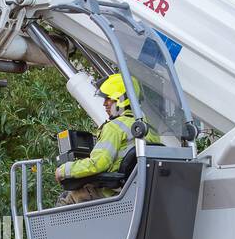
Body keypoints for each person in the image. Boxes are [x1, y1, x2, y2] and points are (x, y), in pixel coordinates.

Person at [55, 73, 161, 204]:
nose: (104, 103)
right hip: (139, 194)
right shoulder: (149, 129)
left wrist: (63, 171)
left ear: (121, 99)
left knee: (67, 197)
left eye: (108, 99)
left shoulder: (114, 127)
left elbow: (98, 163)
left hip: (110, 194)